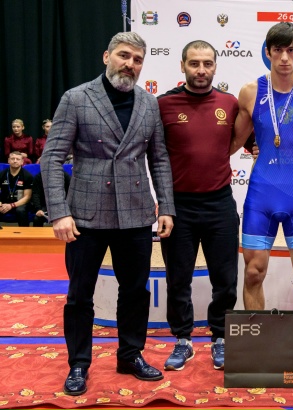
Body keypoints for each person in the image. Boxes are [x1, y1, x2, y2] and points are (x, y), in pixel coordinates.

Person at [40, 32, 175, 396]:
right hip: (85, 215)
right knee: (80, 295)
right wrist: (59, 212)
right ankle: (78, 364)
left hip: (136, 213)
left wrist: (167, 206)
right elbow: (51, 159)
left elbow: (159, 159)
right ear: (106, 57)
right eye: (123, 56)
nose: (129, 64)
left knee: (135, 292)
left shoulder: (149, 103)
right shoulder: (76, 98)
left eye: (137, 59)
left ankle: (130, 355)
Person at [230, 22, 293, 374]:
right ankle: (258, 347)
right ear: (268, 52)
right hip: (261, 195)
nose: (284, 57)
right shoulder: (250, 91)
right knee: (253, 273)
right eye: (278, 50)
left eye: (291, 50)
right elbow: (232, 141)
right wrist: (249, 148)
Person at [157, 40, 239, 371]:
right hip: (179, 206)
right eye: (194, 63)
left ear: (215, 66)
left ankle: (221, 337)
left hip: (220, 203)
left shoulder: (230, 103)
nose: (201, 70)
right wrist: (163, 205)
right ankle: (183, 339)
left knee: (226, 280)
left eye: (207, 63)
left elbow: (250, 139)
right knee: (178, 279)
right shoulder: (163, 104)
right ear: (182, 66)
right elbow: (154, 155)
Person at [0, 151, 33, 226]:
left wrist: (11, 205)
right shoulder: (2, 174)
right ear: (8, 160)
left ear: (22, 162)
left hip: (20, 203)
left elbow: (27, 197)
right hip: (4, 202)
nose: (15, 161)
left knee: (20, 210)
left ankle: (24, 231)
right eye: (12, 159)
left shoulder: (27, 176)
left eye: (18, 159)